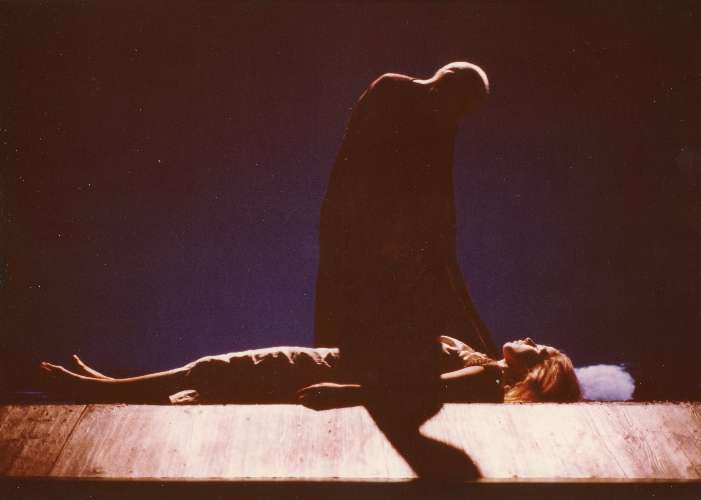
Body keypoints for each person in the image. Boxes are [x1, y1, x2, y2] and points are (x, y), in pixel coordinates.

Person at [314, 62, 497, 408]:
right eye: (460, 106)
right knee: (348, 316)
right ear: (445, 84)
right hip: (357, 232)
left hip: (389, 239)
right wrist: (378, 232)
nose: (458, 117)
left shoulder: (443, 125)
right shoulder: (391, 89)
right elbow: (354, 166)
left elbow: (441, 197)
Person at [39, 337, 581, 406]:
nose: (529, 338)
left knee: (211, 369)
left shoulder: (484, 377)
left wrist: (344, 392)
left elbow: (418, 387)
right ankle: (107, 386)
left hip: (329, 366)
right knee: (211, 375)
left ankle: (99, 389)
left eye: (538, 348)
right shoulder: (481, 365)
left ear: (536, 368)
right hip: (334, 361)